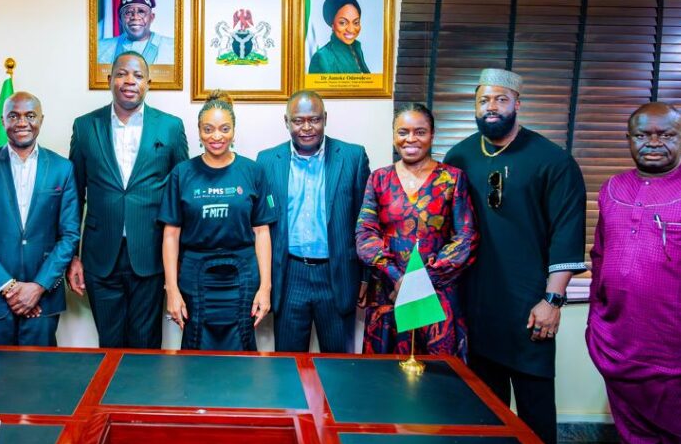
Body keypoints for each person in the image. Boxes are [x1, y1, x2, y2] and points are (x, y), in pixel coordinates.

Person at [443, 68, 586, 444]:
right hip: (475, 307)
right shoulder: (459, 156)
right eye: (483, 100)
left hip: (529, 309)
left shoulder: (552, 160)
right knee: (483, 416)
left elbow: (567, 234)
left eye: (500, 99)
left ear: (517, 104)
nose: (491, 107)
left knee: (535, 417)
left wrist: (552, 300)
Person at [586, 102, 681, 444]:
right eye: (643, 135)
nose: (653, 143)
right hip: (620, 350)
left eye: (665, 134)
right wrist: (595, 325)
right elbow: (600, 256)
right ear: (628, 139)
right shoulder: (613, 188)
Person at [68, 52, 188, 348]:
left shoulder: (170, 127)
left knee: (145, 347)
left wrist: (179, 260)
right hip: (99, 256)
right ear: (110, 80)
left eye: (137, 75)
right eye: (122, 74)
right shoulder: (85, 127)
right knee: (109, 345)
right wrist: (73, 256)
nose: (129, 81)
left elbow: (181, 196)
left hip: (151, 254)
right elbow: (74, 196)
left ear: (148, 83)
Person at [355, 103, 477, 359]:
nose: (410, 139)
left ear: (432, 135)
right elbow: (365, 233)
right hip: (389, 291)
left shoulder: (453, 178)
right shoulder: (379, 179)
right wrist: (397, 276)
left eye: (420, 132)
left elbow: (466, 237)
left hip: (436, 292)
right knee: (385, 375)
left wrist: (419, 281)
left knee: (437, 374)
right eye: (403, 132)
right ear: (394, 136)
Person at [0, 91, 79, 346]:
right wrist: (9, 287)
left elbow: (69, 235)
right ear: (3, 121)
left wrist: (37, 287)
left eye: (30, 115)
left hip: (43, 297)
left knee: (38, 371)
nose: (22, 122)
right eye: (13, 116)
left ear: (41, 119)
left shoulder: (62, 168)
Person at [159, 91, 275, 350]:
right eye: (208, 129)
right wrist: (172, 290)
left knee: (242, 352)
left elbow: (262, 232)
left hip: (242, 278)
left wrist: (265, 288)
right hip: (195, 278)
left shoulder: (253, 171)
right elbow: (170, 235)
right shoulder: (182, 173)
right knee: (196, 351)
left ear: (234, 131)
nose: (216, 136)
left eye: (224, 129)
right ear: (199, 132)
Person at [256, 90, 369, 353]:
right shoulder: (267, 161)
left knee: (338, 365)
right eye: (298, 121)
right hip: (289, 274)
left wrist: (365, 278)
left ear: (325, 119)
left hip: (337, 274)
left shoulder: (352, 157)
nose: (307, 127)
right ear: (287, 121)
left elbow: (365, 222)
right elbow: (260, 224)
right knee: (288, 364)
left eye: (314, 119)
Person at [96, 0, 174, 66]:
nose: (135, 17)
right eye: (128, 12)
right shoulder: (100, 48)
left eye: (141, 12)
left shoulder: (173, 48)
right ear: (120, 19)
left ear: (151, 17)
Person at [307, 0, 370, 74]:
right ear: (332, 24)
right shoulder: (321, 58)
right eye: (343, 23)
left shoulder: (356, 48)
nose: (351, 29)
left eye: (356, 22)